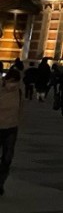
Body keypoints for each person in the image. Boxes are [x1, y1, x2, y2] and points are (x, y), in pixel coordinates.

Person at [0, 68, 24, 197]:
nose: (13, 84)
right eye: (11, 81)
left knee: (7, 158)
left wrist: (17, 122)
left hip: (11, 128)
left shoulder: (19, 92)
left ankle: (0, 183)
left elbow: (21, 109)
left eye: (16, 82)